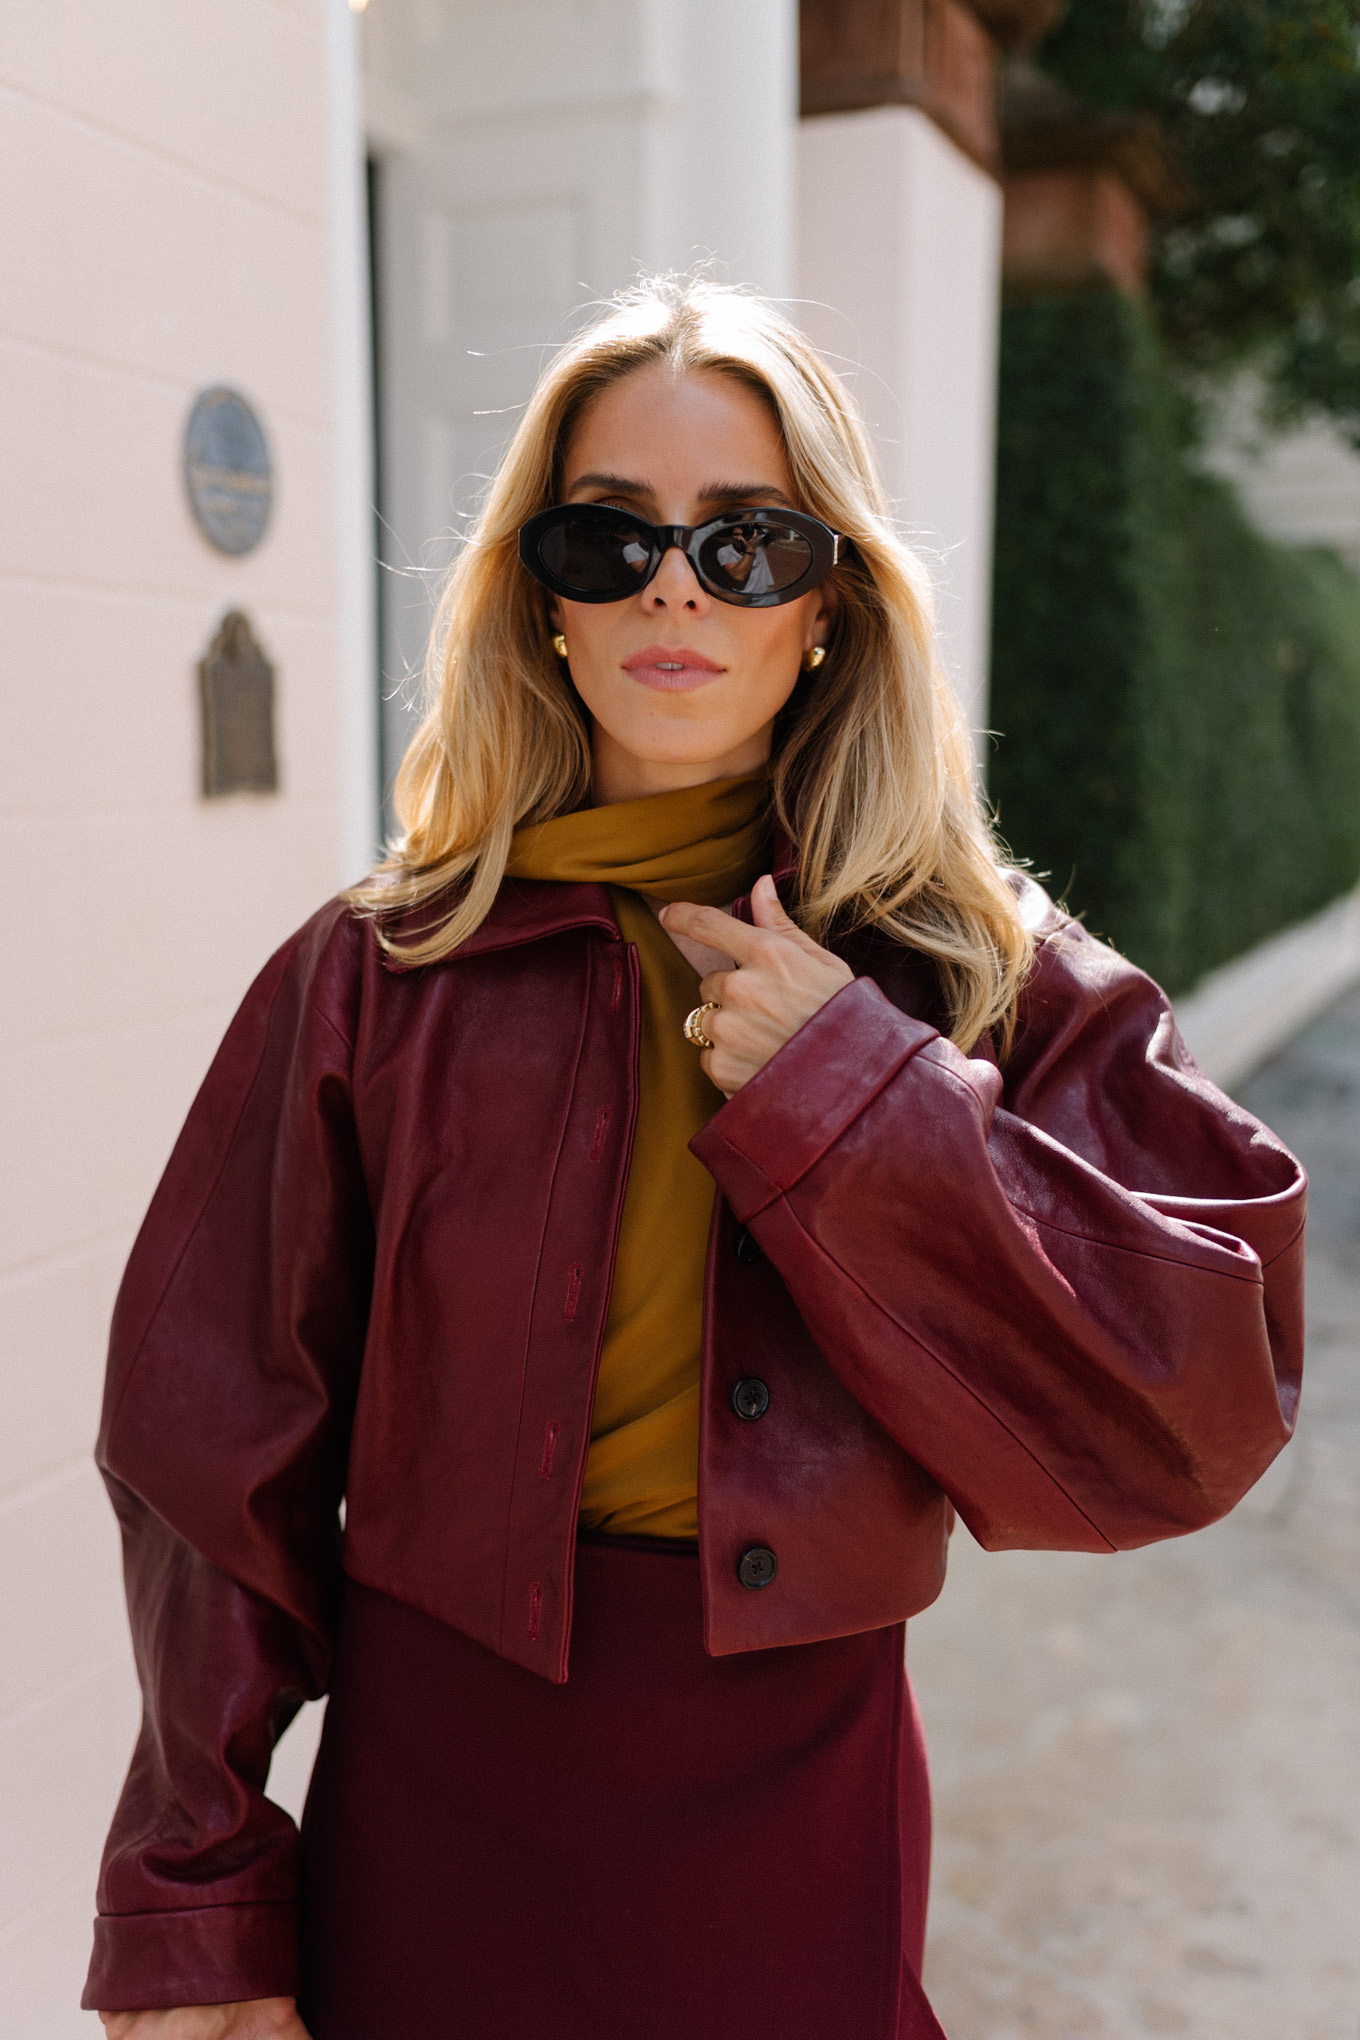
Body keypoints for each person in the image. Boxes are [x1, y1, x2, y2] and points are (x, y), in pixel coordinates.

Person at [86, 275, 1305, 2040]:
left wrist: (861, 1100)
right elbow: (207, 1449)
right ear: (540, 601)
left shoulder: (975, 971)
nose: (674, 584)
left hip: (794, 1806)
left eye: (747, 541)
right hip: (444, 1803)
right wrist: (199, 1908)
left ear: (830, 603)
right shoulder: (377, 975)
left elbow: (1205, 1393)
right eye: (609, 539)